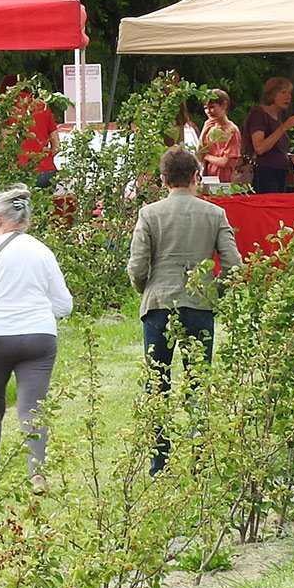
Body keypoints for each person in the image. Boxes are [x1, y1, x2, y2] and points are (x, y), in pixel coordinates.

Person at [129, 146, 241, 474]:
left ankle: (158, 462)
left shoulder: (149, 214)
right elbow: (234, 264)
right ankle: (199, 454)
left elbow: (137, 267)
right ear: (196, 177)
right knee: (197, 381)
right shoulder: (214, 214)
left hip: (159, 304)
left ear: (163, 180)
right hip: (199, 304)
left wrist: (146, 289)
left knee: (157, 382)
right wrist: (213, 291)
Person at [0, 185, 73, 484]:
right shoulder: (43, 252)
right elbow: (64, 304)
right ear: (26, 220)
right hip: (38, 336)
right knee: (33, 405)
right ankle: (37, 475)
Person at [243, 78, 294, 194]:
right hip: (264, 173)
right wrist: (283, 127)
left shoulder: (277, 116)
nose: (288, 97)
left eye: (289, 93)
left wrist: (289, 157)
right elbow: (260, 148)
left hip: (280, 174)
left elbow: (274, 148)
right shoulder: (259, 114)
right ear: (272, 94)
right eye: (283, 92)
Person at [0, 76, 59, 182]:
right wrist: (45, 158)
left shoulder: (8, 110)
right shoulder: (42, 105)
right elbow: (57, 146)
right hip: (47, 170)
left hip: (21, 171)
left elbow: (5, 144)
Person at [197, 90, 242, 184]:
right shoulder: (209, 128)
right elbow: (198, 156)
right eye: (206, 108)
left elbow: (226, 162)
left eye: (212, 107)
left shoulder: (232, 130)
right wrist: (203, 133)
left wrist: (207, 157)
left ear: (224, 105)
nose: (208, 111)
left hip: (225, 181)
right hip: (207, 179)